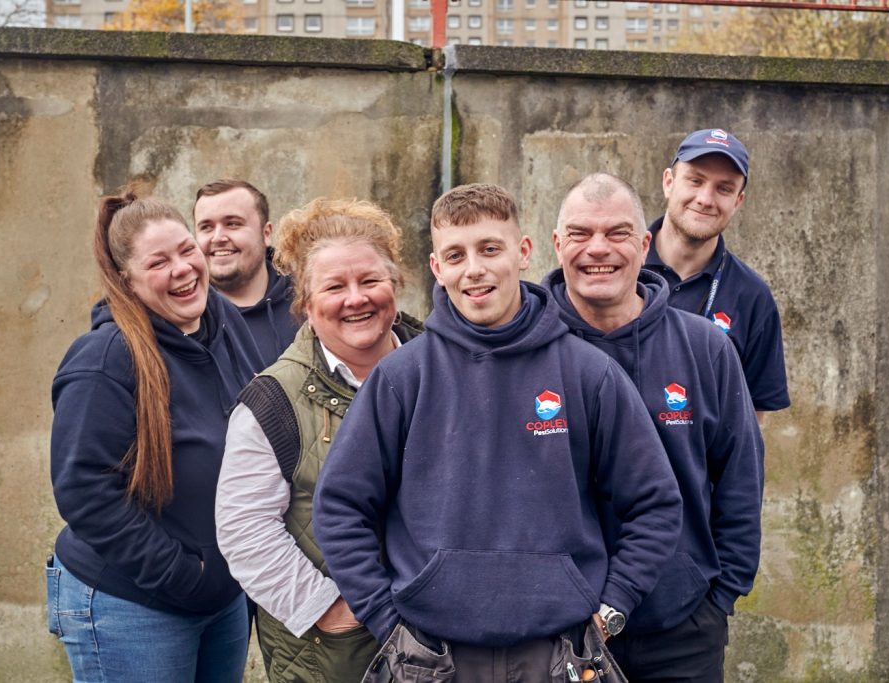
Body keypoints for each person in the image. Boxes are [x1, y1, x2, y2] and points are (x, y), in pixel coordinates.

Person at [313, 183, 683, 682]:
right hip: (431, 659)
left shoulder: (587, 374)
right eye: (456, 255)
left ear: (524, 252)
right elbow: (339, 506)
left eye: (490, 248)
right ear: (437, 268)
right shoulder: (402, 378)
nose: (475, 269)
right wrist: (385, 617)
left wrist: (613, 605)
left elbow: (655, 503)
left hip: (558, 657)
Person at [544, 173, 764, 682]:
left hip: (679, 630)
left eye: (617, 233)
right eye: (580, 234)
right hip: (555, 633)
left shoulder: (706, 348)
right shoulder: (527, 349)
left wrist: (718, 598)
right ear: (557, 245)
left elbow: (741, 480)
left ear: (645, 245)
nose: (598, 249)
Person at [46, 190, 262, 682]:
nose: (184, 269)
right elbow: (85, 492)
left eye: (188, 250)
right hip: (133, 604)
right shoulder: (104, 361)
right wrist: (186, 576)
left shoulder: (222, 320)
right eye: (159, 262)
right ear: (128, 281)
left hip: (222, 597)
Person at [215, 198, 424, 682]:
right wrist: (330, 610)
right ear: (306, 303)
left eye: (371, 280)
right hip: (335, 658)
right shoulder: (272, 401)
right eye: (335, 286)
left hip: (444, 646)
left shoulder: (443, 371)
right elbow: (246, 531)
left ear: (394, 285)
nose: (357, 299)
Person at [645, 128, 789, 421]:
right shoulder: (619, 267)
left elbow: (752, 418)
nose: (706, 199)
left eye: (724, 188)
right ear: (668, 183)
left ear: (738, 201)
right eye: (695, 180)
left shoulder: (752, 296)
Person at [194, 178, 299, 367]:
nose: (218, 238)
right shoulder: (186, 314)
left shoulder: (306, 302)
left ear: (266, 233)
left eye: (233, 224)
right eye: (206, 227)